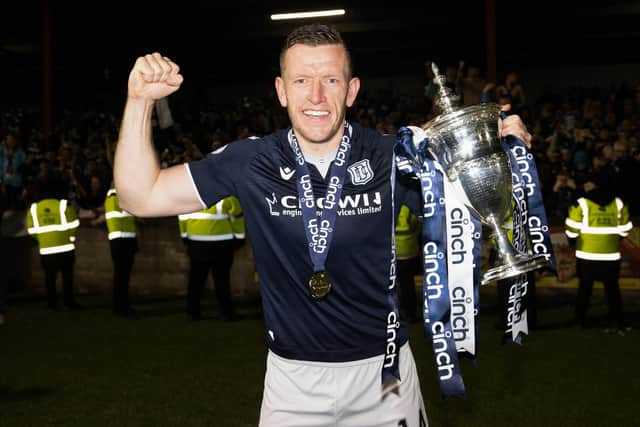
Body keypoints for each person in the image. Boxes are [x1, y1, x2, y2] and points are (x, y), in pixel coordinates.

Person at [114, 23, 532, 426]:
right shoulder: (250, 161)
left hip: (385, 379)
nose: (315, 95)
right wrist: (139, 101)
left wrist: (502, 157)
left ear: (351, 91)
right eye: (301, 81)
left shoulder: (394, 157)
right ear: (280, 90)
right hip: (292, 383)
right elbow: (140, 196)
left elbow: (479, 215)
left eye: (331, 80)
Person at [564, 174, 633, 334]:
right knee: (612, 291)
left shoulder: (582, 203)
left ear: (594, 185)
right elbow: (625, 229)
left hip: (587, 255)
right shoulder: (618, 203)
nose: (585, 186)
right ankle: (617, 321)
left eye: (588, 183)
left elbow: (572, 230)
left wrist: (575, 240)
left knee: (584, 290)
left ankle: (579, 321)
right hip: (611, 255)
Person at [178, 196, 245, 321]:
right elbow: (237, 215)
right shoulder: (226, 194)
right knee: (222, 280)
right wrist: (240, 237)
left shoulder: (188, 195)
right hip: (222, 242)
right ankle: (226, 312)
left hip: (196, 241)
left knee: (196, 279)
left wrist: (184, 235)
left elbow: (182, 216)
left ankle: (192, 312)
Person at [26, 185, 80, 311]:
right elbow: (74, 224)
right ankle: (69, 303)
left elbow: (31, 230)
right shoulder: (64, 205)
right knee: (67, 278)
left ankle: (52, 304)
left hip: (46, 251)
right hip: (65, 249)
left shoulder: (33, 209)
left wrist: (42, 240)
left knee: (49, 279)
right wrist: (71, 238)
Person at [104, 187, 139, 317]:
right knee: (122, 276)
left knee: (122, 276)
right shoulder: (115, 197)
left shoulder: (114, 197)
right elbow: (128, 212)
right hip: (122, 240)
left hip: (123, 240)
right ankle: (122, 307)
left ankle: (121, 305)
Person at [395, 204, 421, 323]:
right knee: (408, 285)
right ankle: (411, 314)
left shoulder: (392, 201)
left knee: (395, 285)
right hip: (410, 251)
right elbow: (417, 223)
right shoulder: (409, 205)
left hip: (395, 250)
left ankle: (398, 313)